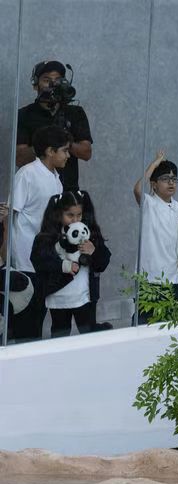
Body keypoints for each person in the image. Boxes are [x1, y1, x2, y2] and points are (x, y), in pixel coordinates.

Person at [4, 125, 71, 342]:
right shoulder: (27, 174)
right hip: (24, 261)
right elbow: (9, 215)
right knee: (25, 324)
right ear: (50, 151)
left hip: (44, 261)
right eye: (65, 150)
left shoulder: (56, 179)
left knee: (38, 319)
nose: (68, 156)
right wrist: (6, 258)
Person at [29, 191, 110, 337]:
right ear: (58, 214)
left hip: (85, 297)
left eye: (79, 215)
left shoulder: (89, 233)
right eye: (70, 215)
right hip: (58, 297)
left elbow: (103, 263)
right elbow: (39, 260)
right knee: (60, 336)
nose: (75, 220)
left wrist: (94, 251)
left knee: (89, 335)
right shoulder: (47, 236)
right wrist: (62, 266)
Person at [15, 60, 93, 192]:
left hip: (68, 190)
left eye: (57, 80)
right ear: (35, 85)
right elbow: (19, 158)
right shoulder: (25, 114)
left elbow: (86, 153)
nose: (52, 85)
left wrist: (64, 139)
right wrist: (45, 142)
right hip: (35, 190)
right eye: (46, 80)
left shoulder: (75, 113)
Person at [133, 150, 178, 323]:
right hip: (148, 276)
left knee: (167, 323)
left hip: (171, 276)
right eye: (165, 178)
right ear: (154, 184)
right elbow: (137, 188)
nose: (171, 182)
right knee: (143, 322)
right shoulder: (149, 203)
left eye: (174, 179)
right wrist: (155, 163)